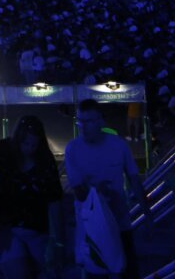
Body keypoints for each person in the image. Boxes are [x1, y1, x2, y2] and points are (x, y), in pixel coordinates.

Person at [64, 99, 138, 276]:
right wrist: (99, 191)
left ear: (101, 121)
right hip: (90, 226)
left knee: (126, 270)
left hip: (119, 221)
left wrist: (146, 212)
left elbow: (135, 179)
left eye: (88, 121)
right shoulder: (73, 149)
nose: (83, 126)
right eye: (80, 121)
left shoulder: (119, 145)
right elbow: (79, 191)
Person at [0, 115, 63, 279]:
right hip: (8, 229)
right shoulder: (0, 152)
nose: (29, 148)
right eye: (26, 143)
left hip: (36, 229)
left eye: (34, 145)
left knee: (46, 270)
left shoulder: (44, 160)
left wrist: (58, 239)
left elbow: (55, 199)